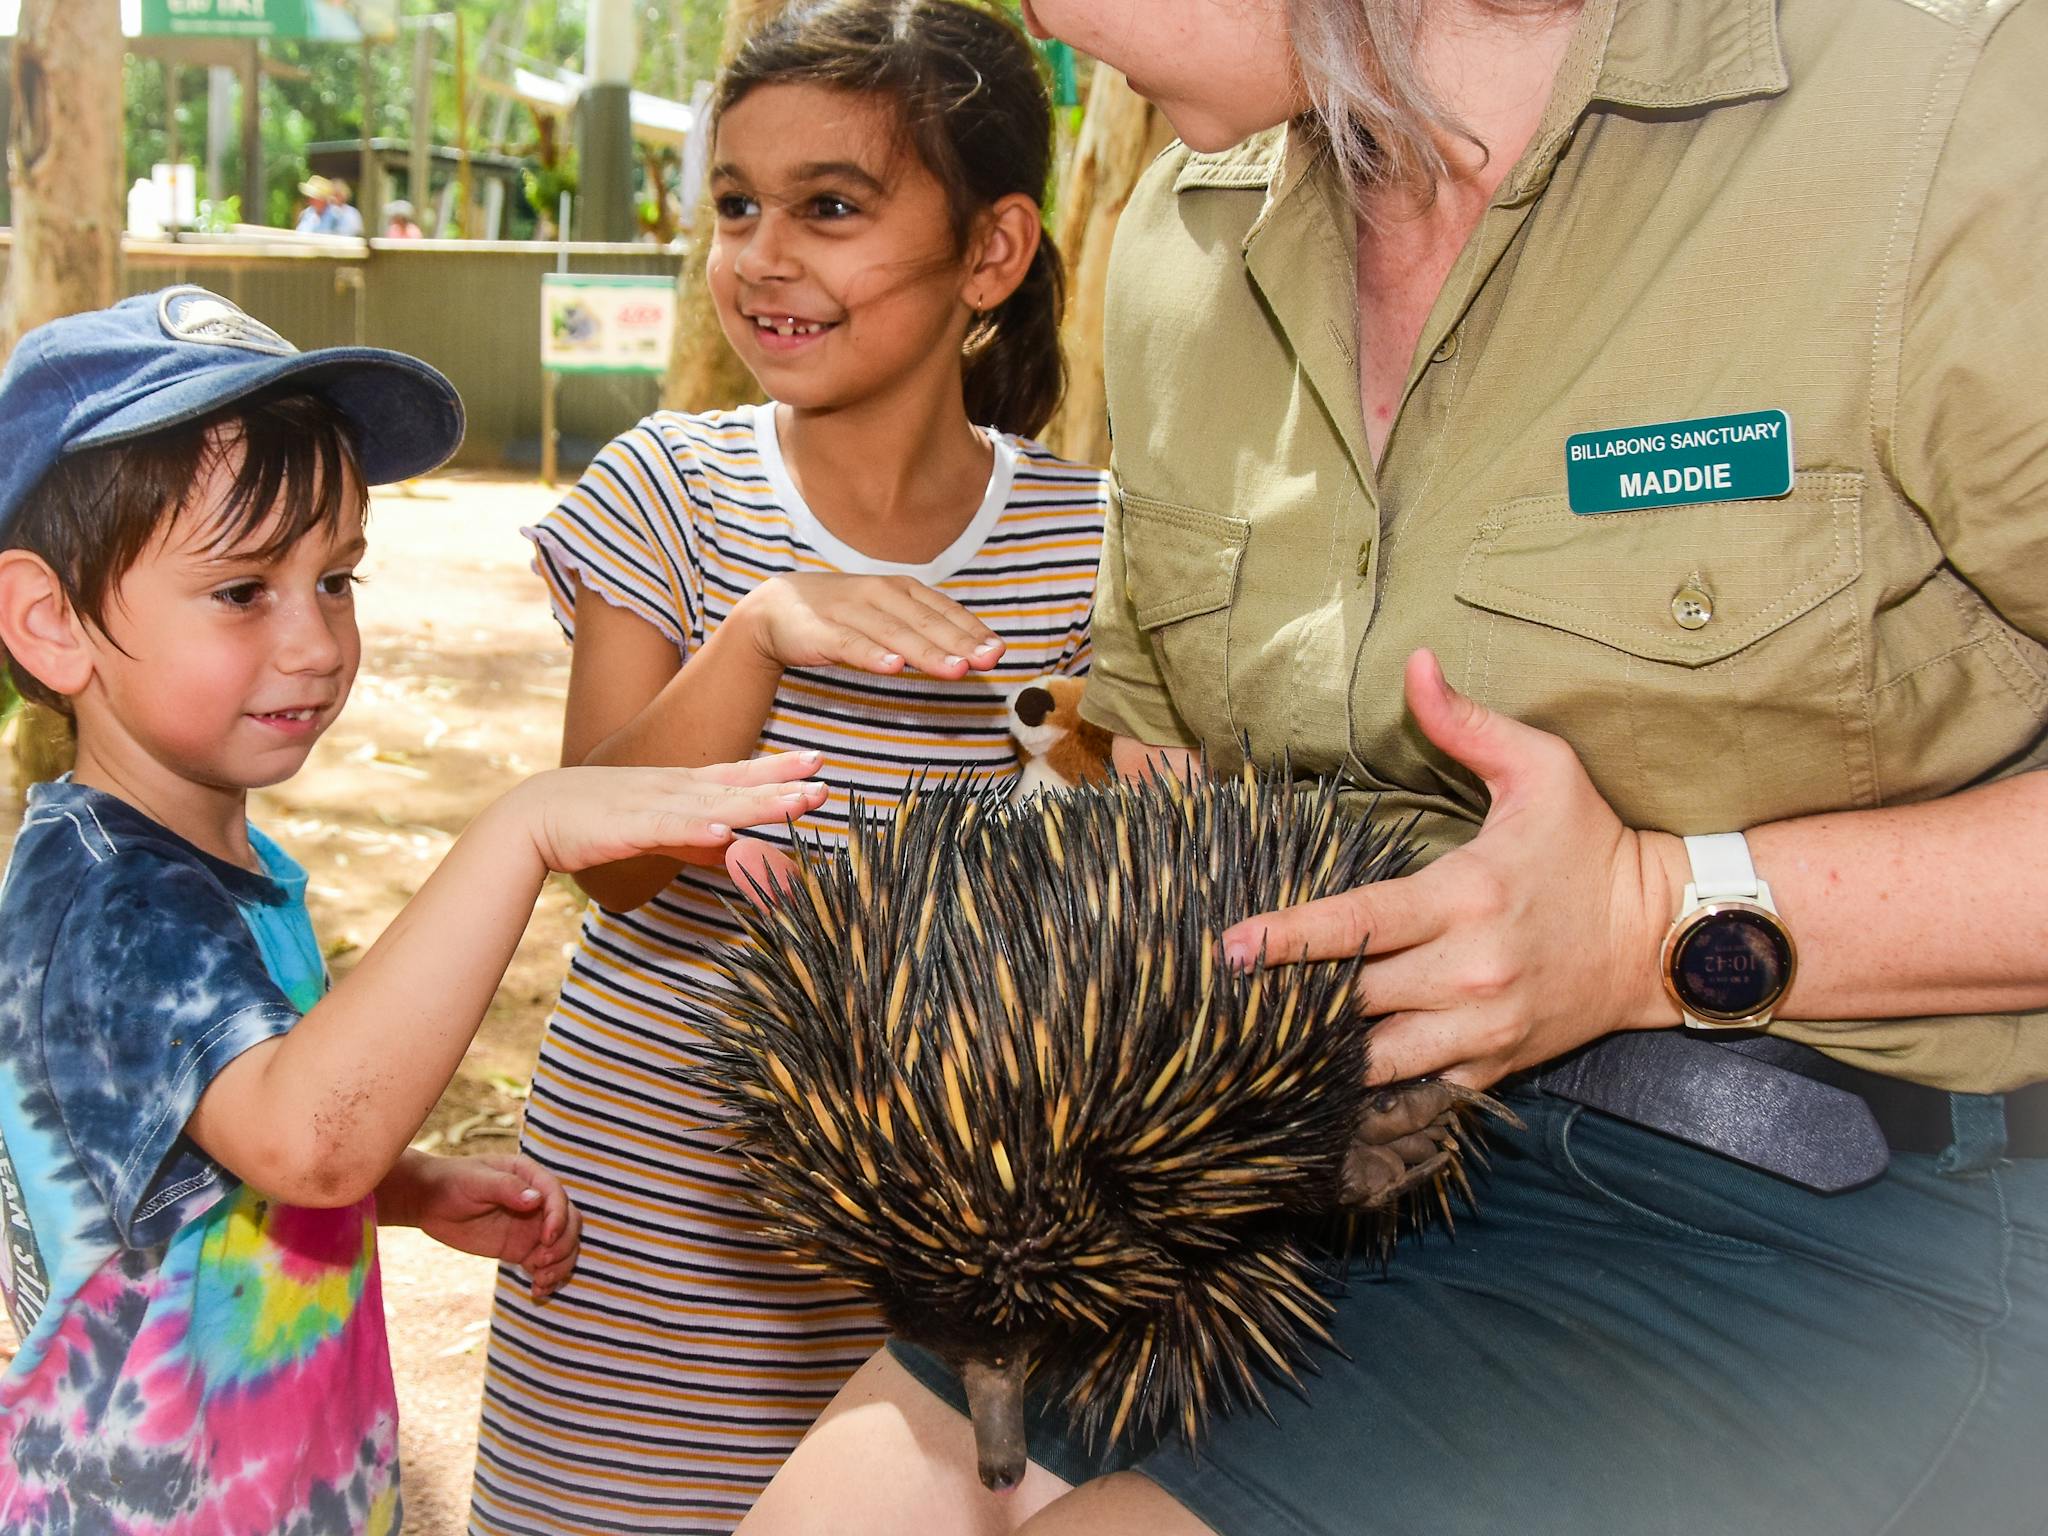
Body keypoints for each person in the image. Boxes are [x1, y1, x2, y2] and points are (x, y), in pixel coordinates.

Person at [732, 0, 2048, 1533]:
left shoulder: (1945, 116)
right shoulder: (1188, 231)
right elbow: (1175, 795)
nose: (1035, 16)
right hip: (1290, 1171)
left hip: (1805, 1213)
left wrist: (1651, 918)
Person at [0, 287, 832, 1536]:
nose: (318, 641)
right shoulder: (112, 898)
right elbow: (303, 1135)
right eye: (241, 591)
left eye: (334, 579)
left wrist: (403, 1185)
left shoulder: (211, 858)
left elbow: (228, 1137)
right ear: (53, 623)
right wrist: (526, 826)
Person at [467, 3, 1109, 1532]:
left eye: (831, 206)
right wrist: (758, 635)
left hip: (959, 1247)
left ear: (993, 251)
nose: (762, 255)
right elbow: (611, 865)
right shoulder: (668, 490)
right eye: (735, 206)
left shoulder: (1099, 541)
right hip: (654, 1215)